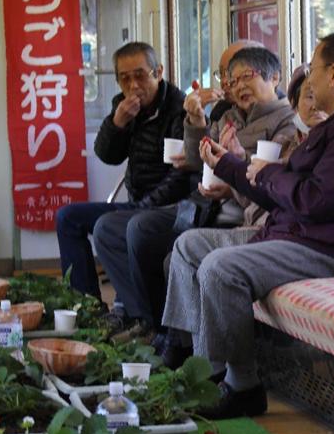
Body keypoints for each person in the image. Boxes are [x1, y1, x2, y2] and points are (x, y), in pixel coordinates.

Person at [161, 32, 334, 420]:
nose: (309, 82)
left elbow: (313, 201)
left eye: (314, 71)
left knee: (222, 268)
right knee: (190, 246)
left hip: (329, 249)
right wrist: (228, 165)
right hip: (295, 233)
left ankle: (241, 387)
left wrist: (270, 175)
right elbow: (286, 188)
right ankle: (197, 364)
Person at [93, 44, 296, 342]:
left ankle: (169, 340)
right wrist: (197, 121)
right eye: (231, 80)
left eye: (246, 77)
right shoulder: (231, 116)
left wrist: (234, 165)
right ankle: (150, 325)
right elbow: (195, 158)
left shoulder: (286, 122)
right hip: (202, 205)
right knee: (110, 228)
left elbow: (271, 189)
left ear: (275, 77)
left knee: (146, 234)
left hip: (239, 217)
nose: (237, 86)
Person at [56, 41, 194, 303]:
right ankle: (86, 304)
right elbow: (108, 156)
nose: (133, 86)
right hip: (136, 204)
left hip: (172, 208)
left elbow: (182, 176)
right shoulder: (124, 105)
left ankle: (135, 308)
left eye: (140, 75)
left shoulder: (180, 108)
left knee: (119, 226)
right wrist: (117, 123)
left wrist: (142, 207)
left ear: (159, 72)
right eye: (125, 78)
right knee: (68, 218)